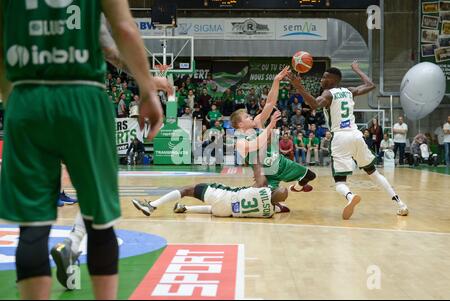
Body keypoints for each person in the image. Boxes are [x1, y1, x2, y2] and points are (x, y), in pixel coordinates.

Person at [0, 0, 172, 300]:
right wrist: (146, 86)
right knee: (99, 224)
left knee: (32, 229)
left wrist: (13, 100)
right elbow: (122, 30)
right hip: (83, 97)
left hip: (26, 98)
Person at [289, 61, 409, 219]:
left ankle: (350, 197)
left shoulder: (328, 94)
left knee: (339, 182)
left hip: (340, 137)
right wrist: (357, 69)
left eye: (324, 77)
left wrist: (299, 86)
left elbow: (314, 105)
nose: (321, 80)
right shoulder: (349, 91)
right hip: (356, 136)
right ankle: (400, 204)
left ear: (332, 80)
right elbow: (370, 84)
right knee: (373, 173)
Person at [231, 67, 316, 195]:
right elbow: (256, 144)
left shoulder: (258, 121)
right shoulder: (240, 140)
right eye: (247, 117)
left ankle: (297, 187)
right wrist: (270, 125)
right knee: (278, 197)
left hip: (282, 162)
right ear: (240, 124)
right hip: (268, 173)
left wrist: (276, 81)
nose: (251, 117)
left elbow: (270, 102)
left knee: (310, 175)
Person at [132, 183, 289, 218]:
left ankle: (152, 205)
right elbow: (283, 208)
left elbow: (274, 192)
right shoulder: (269, 213)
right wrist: (280, 205)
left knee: (187, 190)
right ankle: (185, 208)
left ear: (272, 191)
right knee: (214, 209)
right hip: (226, 212)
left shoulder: (263, 189)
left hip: (223, 197)